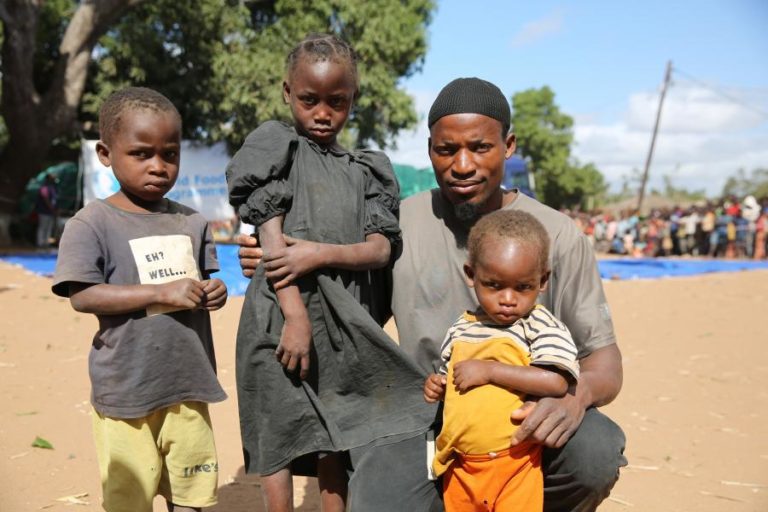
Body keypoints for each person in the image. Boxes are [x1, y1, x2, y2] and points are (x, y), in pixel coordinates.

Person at [238, 77, 626, 511]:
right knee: (376, 502)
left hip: (521, 416)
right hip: (419, 417)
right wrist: (274, 260)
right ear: (429, 150)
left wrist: (576, 398)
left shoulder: (558, 234)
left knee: (595, 451)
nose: (462, 164)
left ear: (509, 145)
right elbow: (339, 294)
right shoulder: (395, 226)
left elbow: (604, 362)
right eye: (447, 150)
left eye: (480, 147)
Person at [225, 34, 435, 512]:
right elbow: (272, 240)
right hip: (279, 317)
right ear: (286, 93)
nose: (322, 113)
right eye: (309, 100)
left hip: (343, 322)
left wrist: (319, 253)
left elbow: (380, 250)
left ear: (353, 100)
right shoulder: (275, 148)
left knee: (335, 431)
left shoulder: (367, 170)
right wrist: (296, 316)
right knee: (276, 425)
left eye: (337, 102)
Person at [52, 87, 228, 512]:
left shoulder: (192, 221)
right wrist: (159, 292)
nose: (158, 166)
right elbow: (83, 295)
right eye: (142, 153)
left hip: (188, 385)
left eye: (169, 154)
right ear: (106, 154)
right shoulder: (91, 223)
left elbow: (201, 284)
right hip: (126, 393)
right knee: (130, 498)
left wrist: (213, 293)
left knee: (193, 495)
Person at [423, 209, 580, 511]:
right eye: (494, 285)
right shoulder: (461, 328)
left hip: (515, 463)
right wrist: (437, 386)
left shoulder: (540, 325)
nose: (508, 299)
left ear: (542, 280)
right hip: (461, 465)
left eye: (523, 287)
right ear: (471, 276)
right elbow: (452, 382)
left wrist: (491, 371)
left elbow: (556, 381)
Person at [35, 172, 58, 247]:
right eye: (52, 178)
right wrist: (51, 208)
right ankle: (40, 242)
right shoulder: (44, 187)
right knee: (43, 226)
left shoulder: (53, 187)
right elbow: (46, 199)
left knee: (49, 227)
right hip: (44, 211)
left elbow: (54, 199)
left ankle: (46, 242)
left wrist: (54, 209)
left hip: (50, 212)